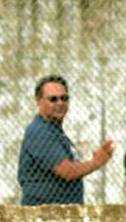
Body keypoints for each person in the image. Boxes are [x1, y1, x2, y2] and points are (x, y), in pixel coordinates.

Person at [18, 75, 114, 205]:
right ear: (39, 101)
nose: (60, 103)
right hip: (45, 215)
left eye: (64, 98)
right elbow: (66, 171)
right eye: (53, 99)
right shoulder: (40, 132)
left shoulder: (54, 131)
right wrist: (95, 162)